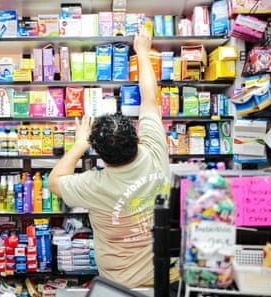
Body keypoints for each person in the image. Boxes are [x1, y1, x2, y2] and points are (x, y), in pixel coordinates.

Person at [48, 26, 173, 288]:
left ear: (100, 157)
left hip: (119, 287)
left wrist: (80, 144)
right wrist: (141, 51)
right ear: (138, 138)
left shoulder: (93, 184)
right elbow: (150, 99)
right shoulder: (155, 152)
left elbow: (54, 181)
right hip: (166, 279)